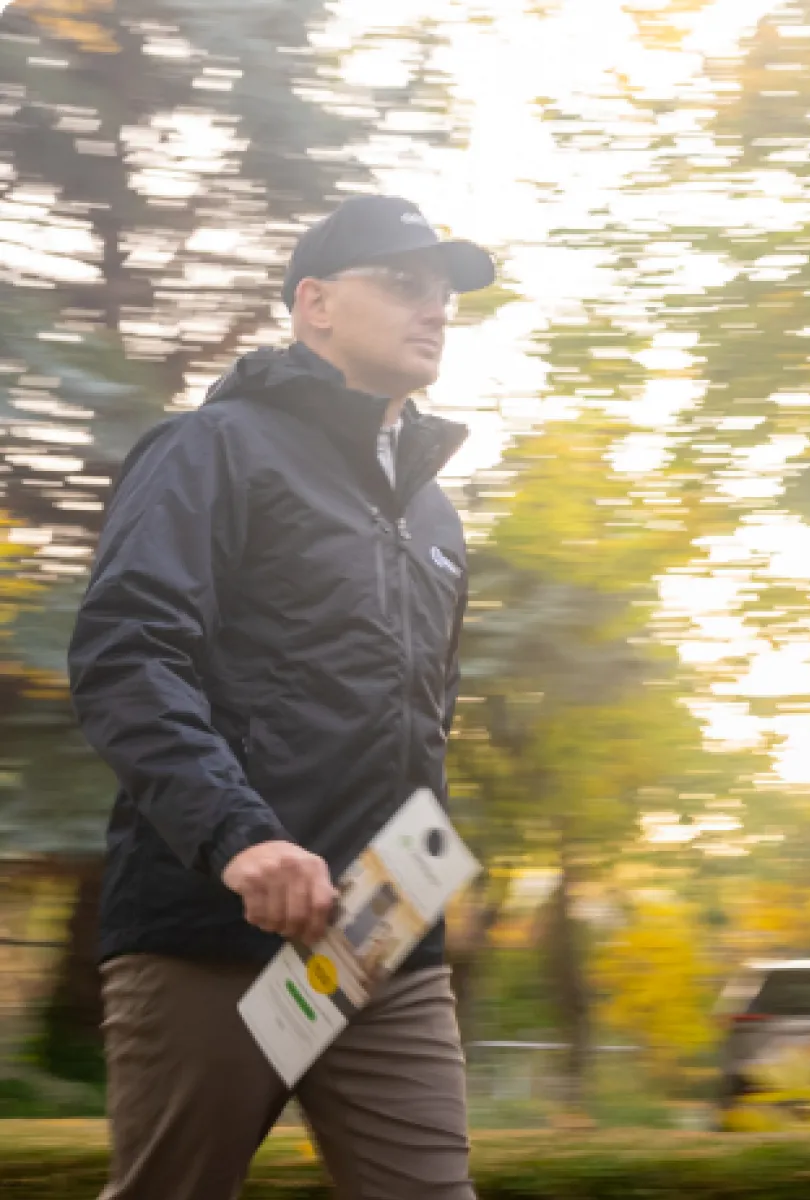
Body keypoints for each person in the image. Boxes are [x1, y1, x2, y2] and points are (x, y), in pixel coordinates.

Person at [68, 195, 495, 1200]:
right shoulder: (213, 449)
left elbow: (425, 712)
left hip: (386, 918)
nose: (433, 308)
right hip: (221, 920)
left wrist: (425, 871)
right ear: (315, 305)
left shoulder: (431, 512)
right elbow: (129, 655)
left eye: (443, 293)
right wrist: (237, 837)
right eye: (401, 283)